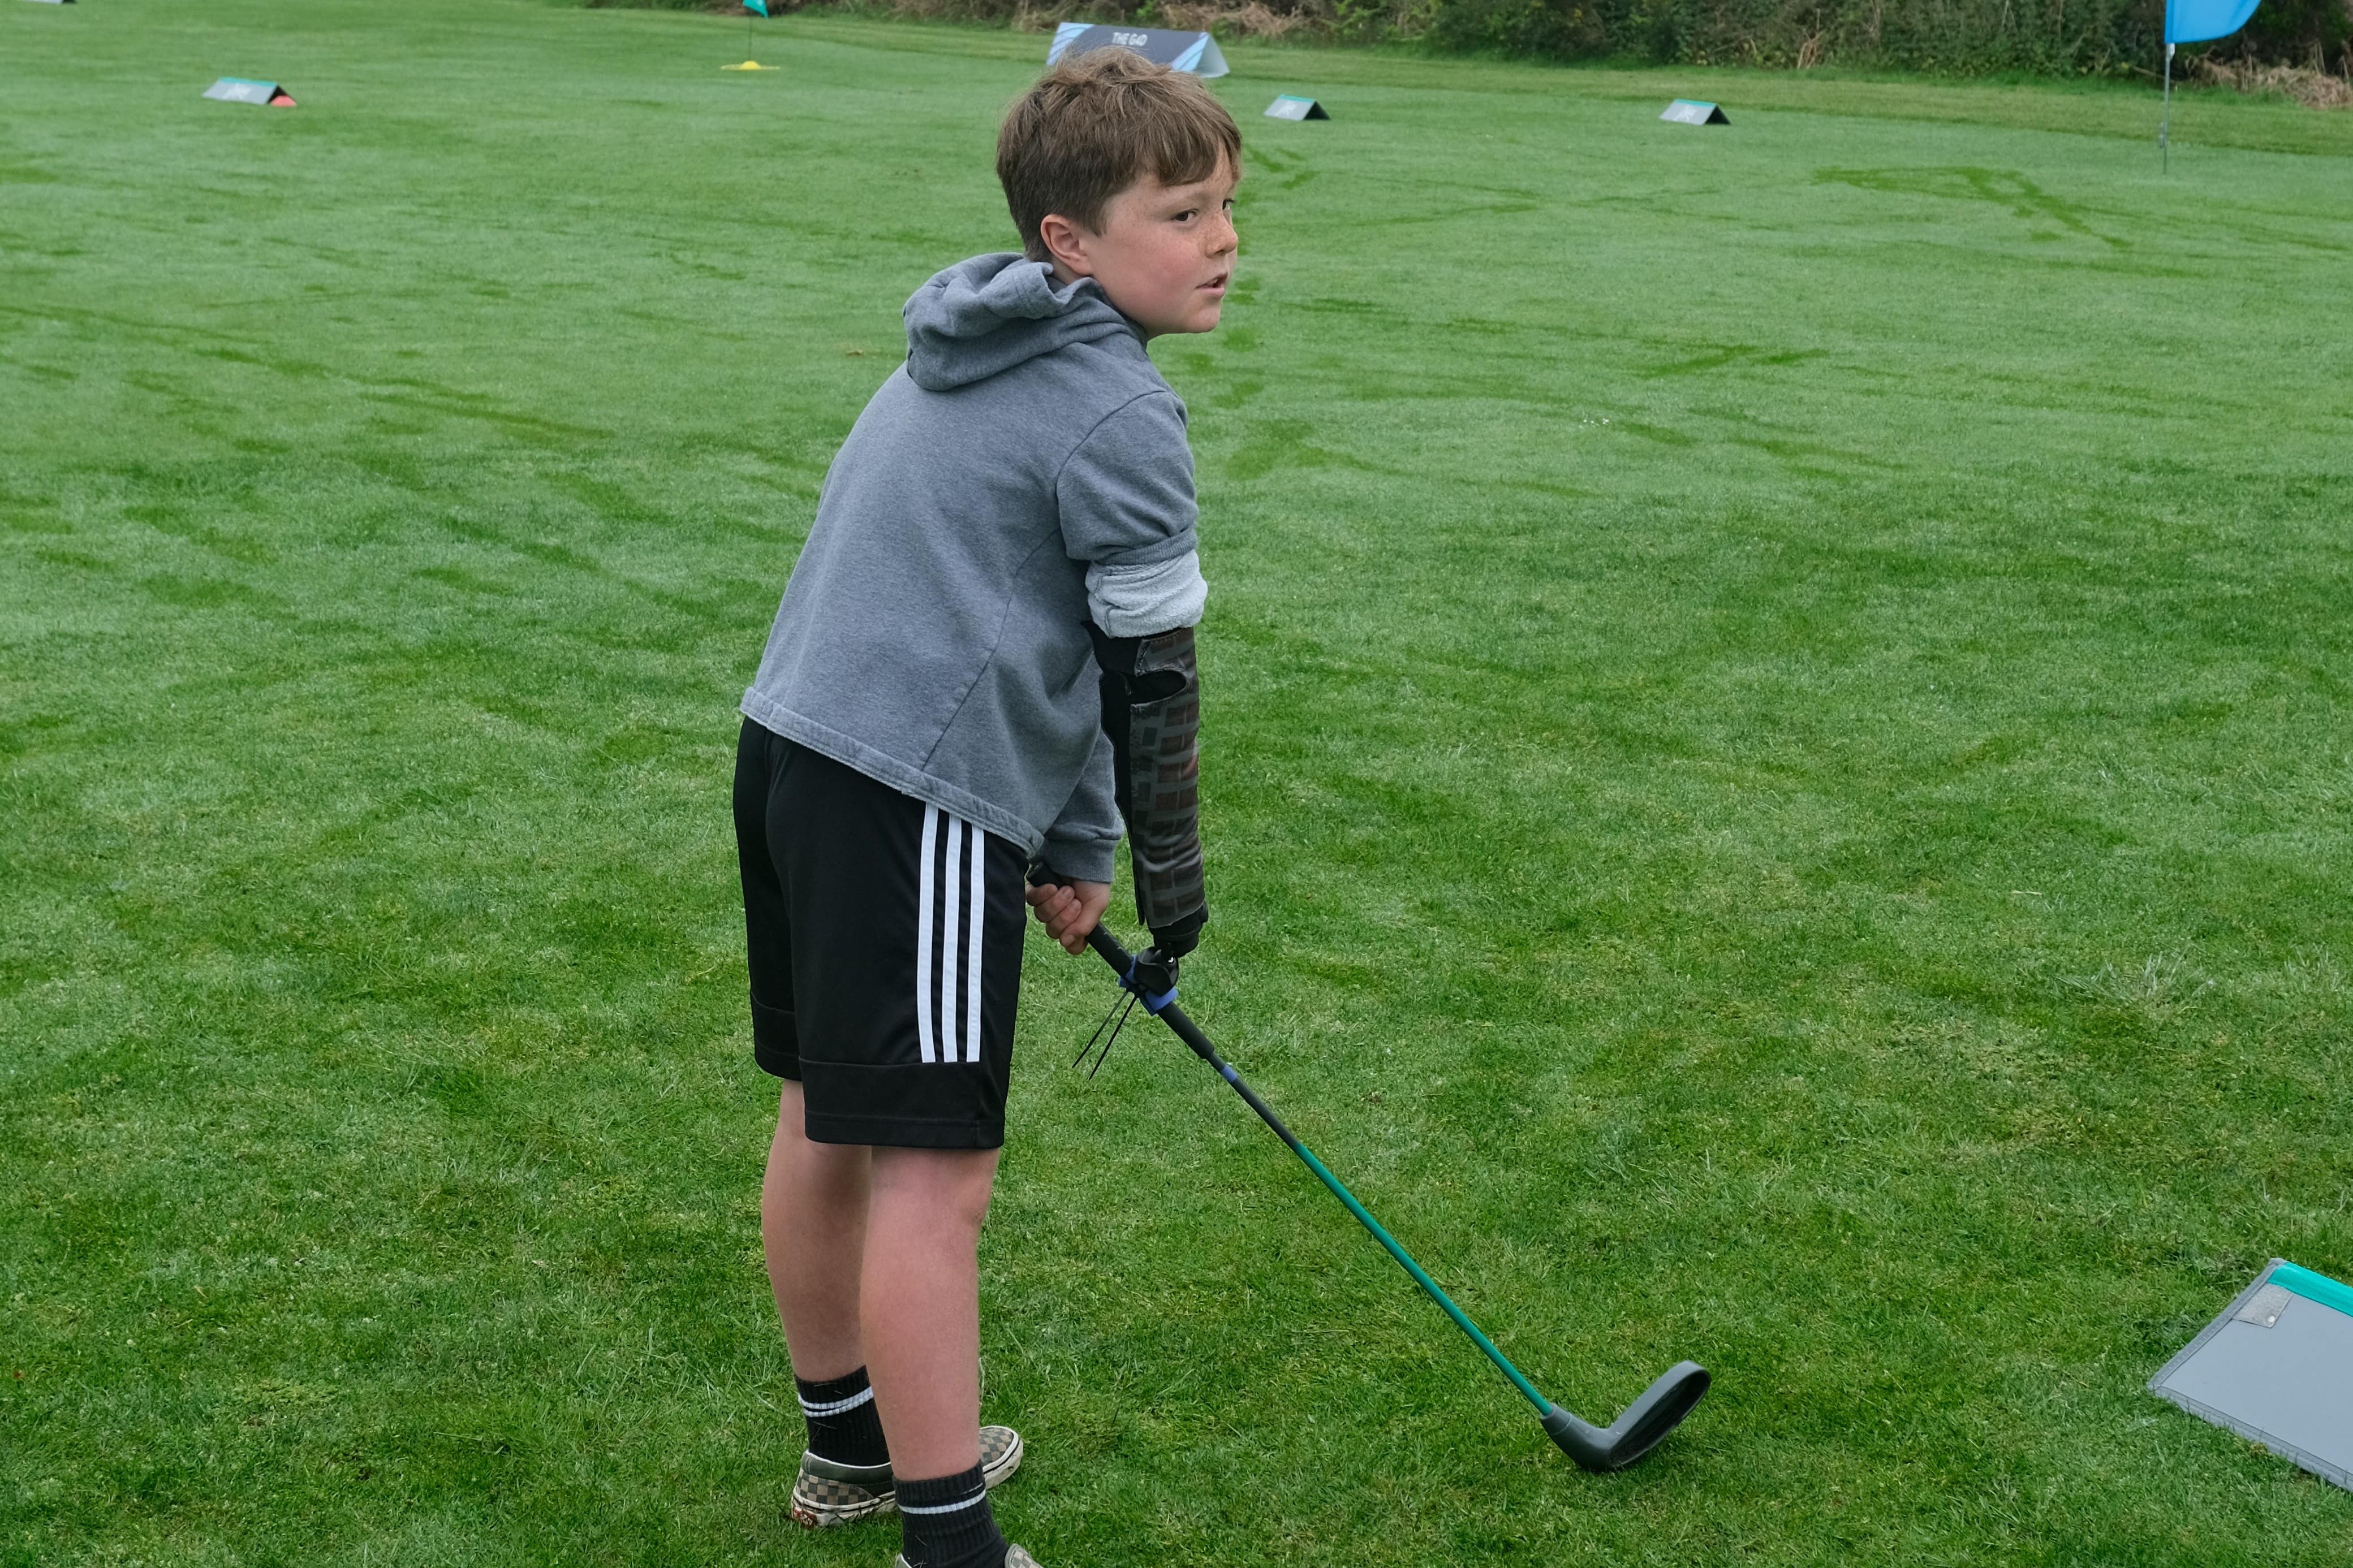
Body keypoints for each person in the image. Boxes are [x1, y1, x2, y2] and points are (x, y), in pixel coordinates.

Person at [730, 47, 1238, 1568]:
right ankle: (949, 1545)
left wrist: (1075, 849)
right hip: (910, 792)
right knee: (936, 1184)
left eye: (1228, 209)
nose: (1219, 244)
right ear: (1067, 242)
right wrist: (1172, 881)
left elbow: (1050, 638)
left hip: (799, 756)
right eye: (1180, 214)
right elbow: (1152, 679)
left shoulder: (974, 337)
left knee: (830, 1111)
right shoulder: (1121, 415)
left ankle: (852, 1456)